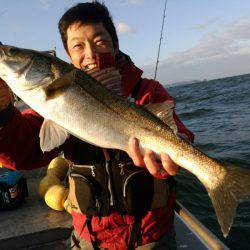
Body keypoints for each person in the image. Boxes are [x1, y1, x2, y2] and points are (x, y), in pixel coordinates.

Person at [0, 2, 194, 249]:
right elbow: (25, 153)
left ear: (115, 45)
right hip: (90, 239)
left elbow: (179, 134)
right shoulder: (48, 101)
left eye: (100, 41)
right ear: (69, 57)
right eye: (78, 46)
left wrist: (180, 149)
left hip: (151, 238)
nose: (90, 54)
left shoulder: (148, 92)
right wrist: (3, 114)